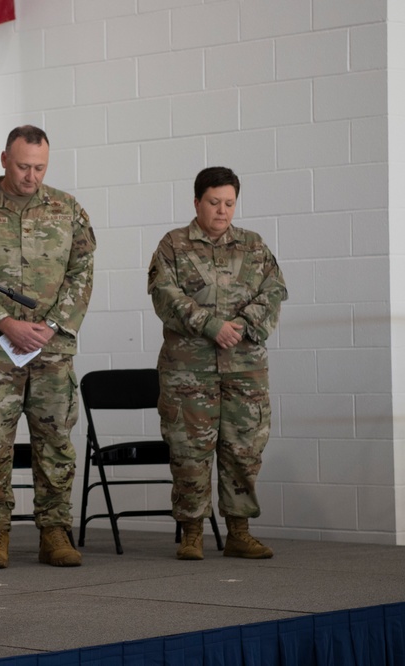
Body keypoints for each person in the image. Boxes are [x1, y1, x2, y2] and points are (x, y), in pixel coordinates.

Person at [0, 125, 96, 569]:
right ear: (3, 160)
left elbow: (82, 272)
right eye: (23, 166)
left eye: (39, 167)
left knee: (56, 442)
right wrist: (5, 322)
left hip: (51, 349)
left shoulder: (68, 210)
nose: (31, 175)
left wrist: (51, 326)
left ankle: (55, 531)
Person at [147, 166, 287, 562]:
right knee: (189, 451)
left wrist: (240, 326)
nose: (222, 211)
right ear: (197, 202)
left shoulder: (254, 246)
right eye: (214, 202)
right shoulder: (172, 245)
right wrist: (210, 325)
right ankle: (191, 533)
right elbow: (165, 296)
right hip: (188, 370)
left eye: (229, 203)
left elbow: (275, 291)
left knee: (244, 449)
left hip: (245, 368)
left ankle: (239, 532)